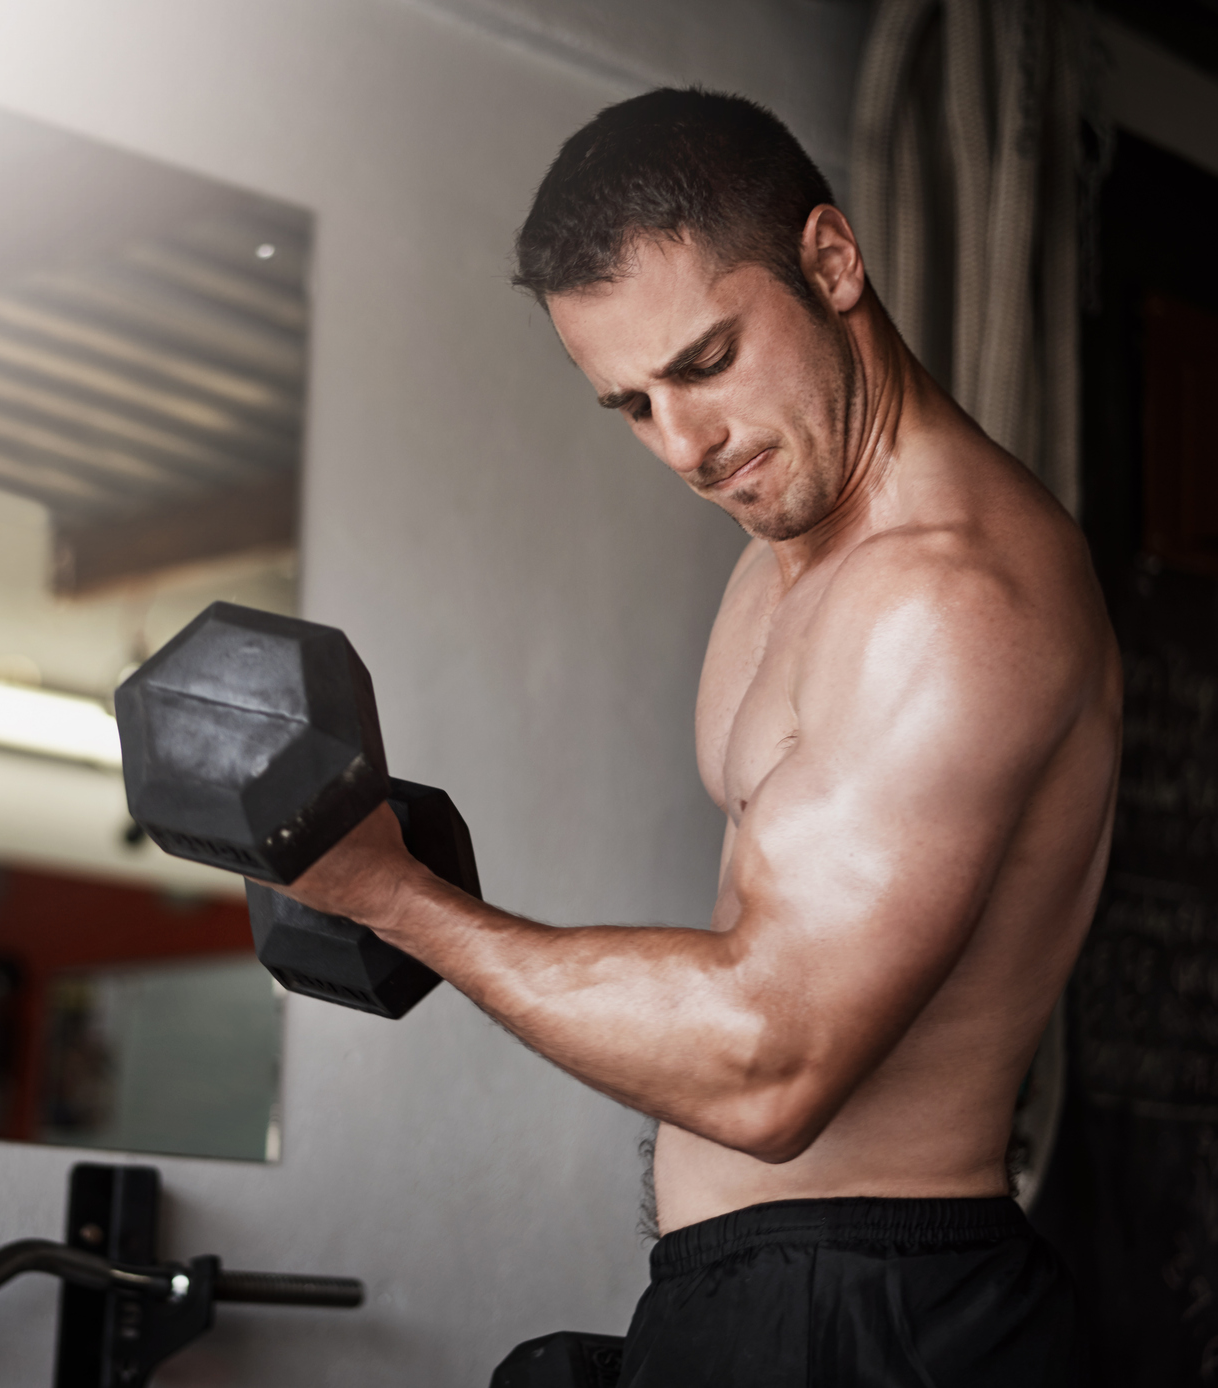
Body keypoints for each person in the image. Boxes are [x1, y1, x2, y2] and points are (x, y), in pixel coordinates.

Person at [267, 90, 1119, 1383]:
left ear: (832, 261)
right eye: (631, 405)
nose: (687, 445)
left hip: (876, 1308)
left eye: (707, 364)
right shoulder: (783, 551)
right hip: (770, 1289)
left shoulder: (950, 600)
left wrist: (403, 903)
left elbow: (774, 1067)